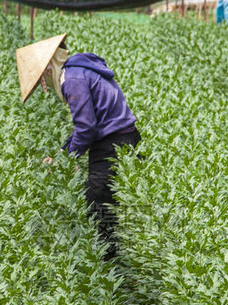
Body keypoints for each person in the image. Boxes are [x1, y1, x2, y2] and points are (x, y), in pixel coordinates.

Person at [16, 33, 140, 259]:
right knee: (110, 199)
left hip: (113, 142)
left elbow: (86, 127)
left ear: (49, 66)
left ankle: (108, 261)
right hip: (123, 137)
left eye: (43, 75)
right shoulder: (78, 71)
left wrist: (67, 159)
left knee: (97, 201)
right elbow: (84, 125)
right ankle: (113, 255)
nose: (44, 81)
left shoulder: (71, 79)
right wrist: (63, 153)